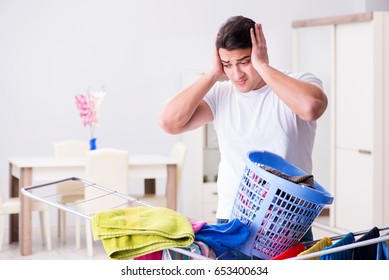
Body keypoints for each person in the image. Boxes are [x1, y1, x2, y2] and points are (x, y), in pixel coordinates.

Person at [158, 15, 327, 254]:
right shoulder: (221, 94)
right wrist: (212, 75)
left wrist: (263, 67)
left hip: (289, 223)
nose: (236, 74)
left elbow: (311, 107)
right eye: (227, 64)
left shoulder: (299, 82)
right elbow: (168, 122)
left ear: (260, 51)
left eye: (244, 61)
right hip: (232, 221)